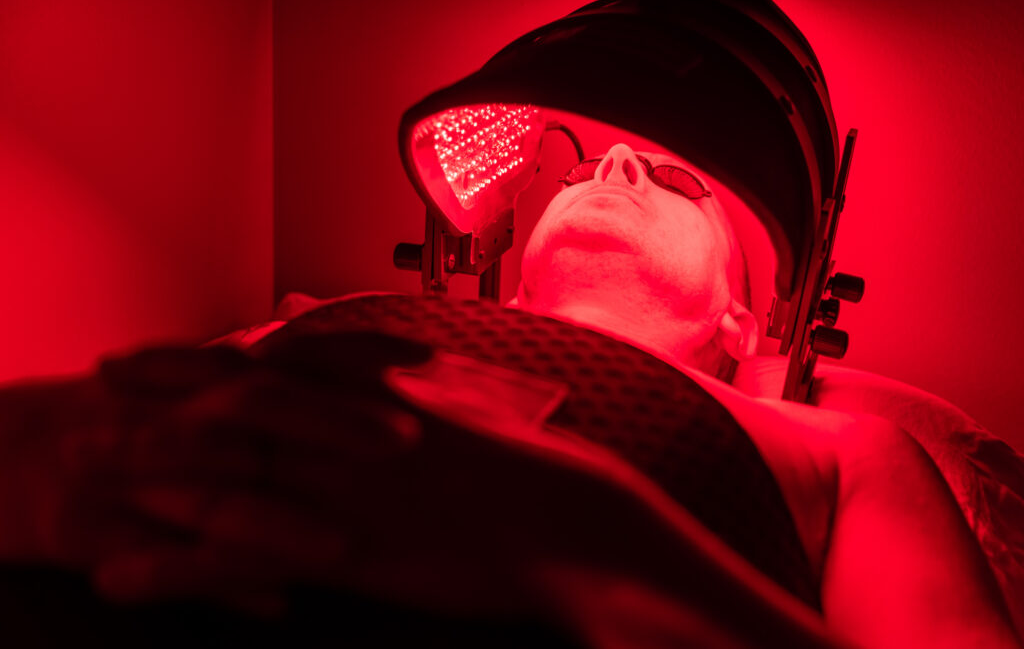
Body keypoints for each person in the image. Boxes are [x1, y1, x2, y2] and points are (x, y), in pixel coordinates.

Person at [0, 145, 1019, 648]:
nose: (615, 157)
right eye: (580, 166)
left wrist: (604, 560)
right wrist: (41, 460)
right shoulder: (326, 322)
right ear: (519, 283)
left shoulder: (845, 447)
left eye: (675, 178)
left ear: (741, 326)